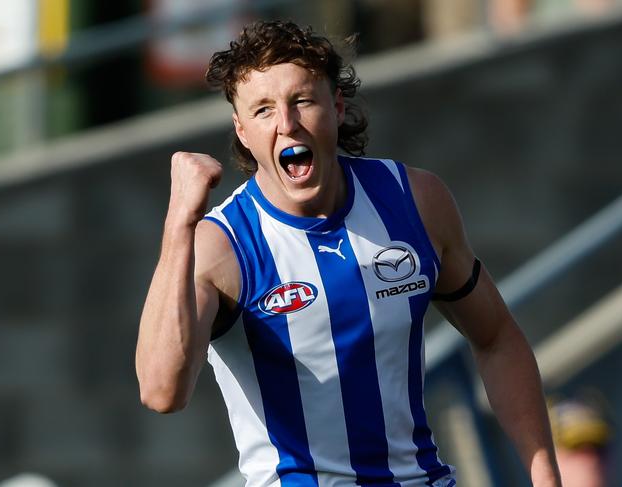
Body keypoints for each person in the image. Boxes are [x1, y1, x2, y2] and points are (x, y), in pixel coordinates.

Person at [136, 20, 561, 486]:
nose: (287, 124)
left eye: (302, 100)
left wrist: (545, 476)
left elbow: (497, 337)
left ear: (336, 107)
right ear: (242, 131)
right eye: (263, 110)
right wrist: (179, 224)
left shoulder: (414, 200)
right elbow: (162, 392)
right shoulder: (222, 245)